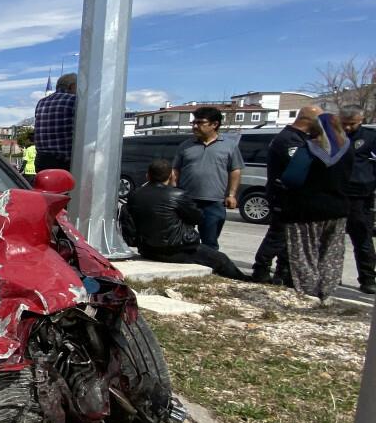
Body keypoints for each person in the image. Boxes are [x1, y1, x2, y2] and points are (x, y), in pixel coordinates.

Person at [266, 106, 352, 303]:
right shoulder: (347, 149)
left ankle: (309, 293)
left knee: (305, 253)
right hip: (337, 209)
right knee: (331, 253)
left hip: (306, 210)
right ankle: (327, 293)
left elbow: (292, 178)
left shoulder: (310, 148)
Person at [122, 159, 247, 280]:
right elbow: (197, 218)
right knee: (221, 259)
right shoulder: (178, 195)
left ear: (147, 176)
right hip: (176, 250)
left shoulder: (135, 195)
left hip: (147, 249)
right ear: (171, 175)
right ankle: (245, 280)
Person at [171, 106, 242, 251]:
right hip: (187, 200)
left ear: (214, 124)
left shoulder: (229, 146)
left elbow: (235, 171)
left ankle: (209, 265)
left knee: (210, 242)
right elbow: (175, 170)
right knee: (182, 238)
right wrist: (173, 191)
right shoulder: (186, 146)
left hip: (213, 202)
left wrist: (231, 195)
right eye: (194, 123)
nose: (195, 126)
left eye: (200, 123)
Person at [339, 106, 376, 293]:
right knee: (333, 239)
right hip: (337, 195)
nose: (347, 128)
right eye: (344, 124)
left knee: (362, 240)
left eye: (351, 124)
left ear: (360, 120)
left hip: (361, 197)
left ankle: (368, 278)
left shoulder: (370, 138)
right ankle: (332, 276)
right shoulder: (334, 137)